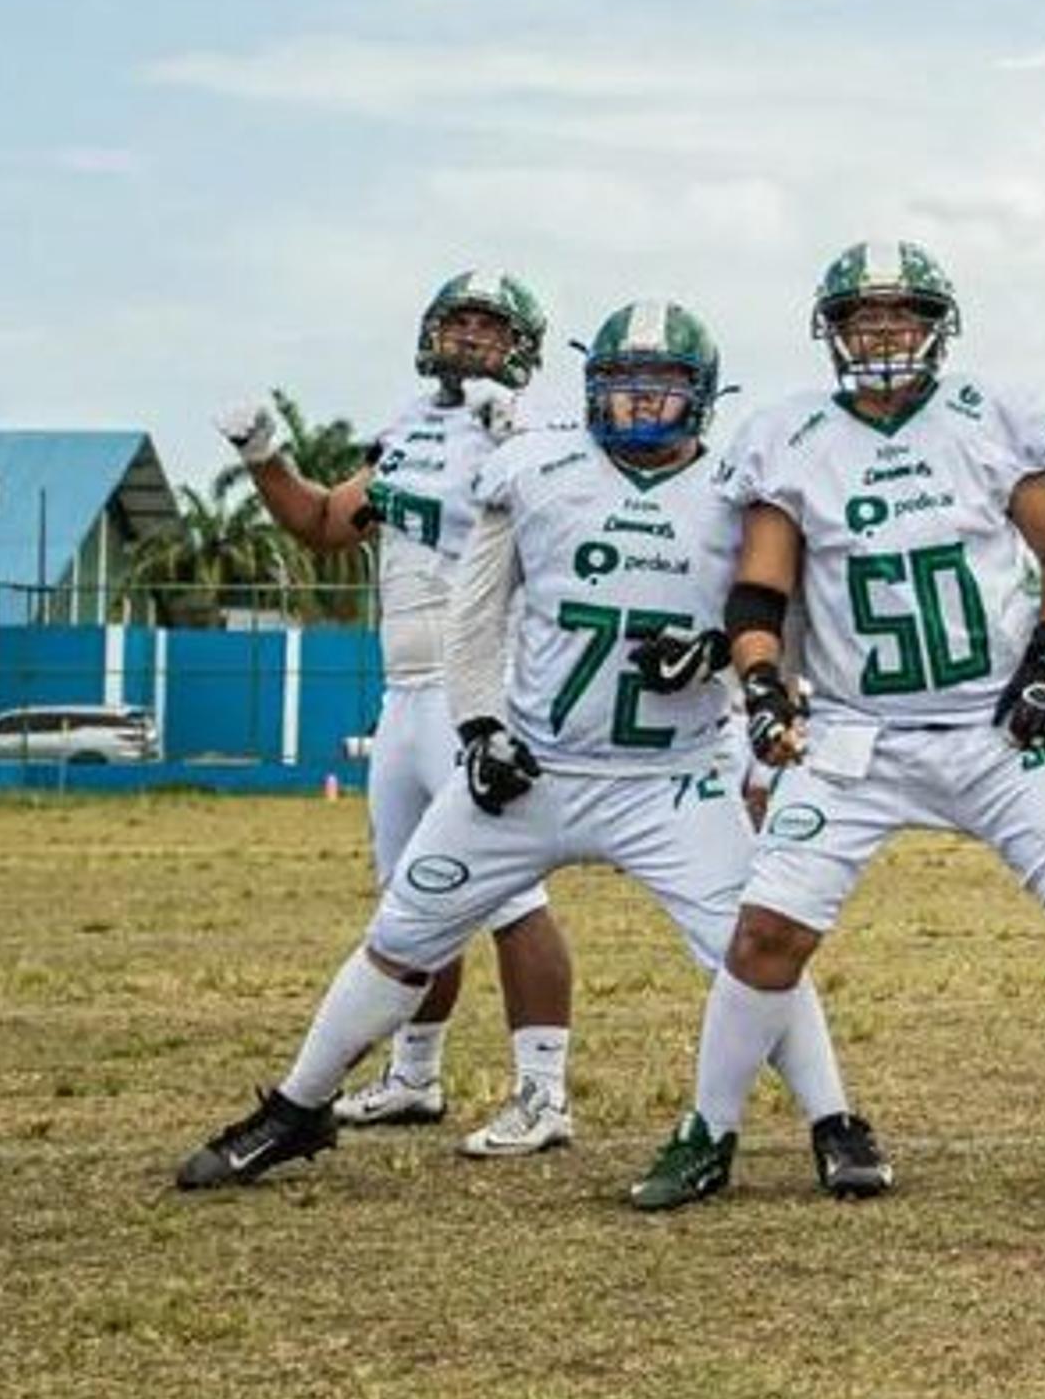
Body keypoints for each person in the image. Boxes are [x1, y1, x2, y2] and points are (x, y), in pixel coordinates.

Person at [178, 303, 880, 1192]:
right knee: (400, 933)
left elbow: (781, 617)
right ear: (592, 390)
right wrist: (479, 728)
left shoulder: (739, 489)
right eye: (622, 387)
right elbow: (475, 620)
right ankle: (295, 1107)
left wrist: (717, 660)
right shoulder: (537, 469)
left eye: (659, 388)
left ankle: (835, 1120)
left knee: (753, 946)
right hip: (537, 766)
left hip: (668, 778)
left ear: (700, 397)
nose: (637, 407)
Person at [629, 241, 1045, 1209]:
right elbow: (759, 591)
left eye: (900, 315)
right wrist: (760, 687)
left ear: (936, 326)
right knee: (761, 936)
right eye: (860, 318)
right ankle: (705, 1132)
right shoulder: (790, 436)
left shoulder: (986, 418)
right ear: (831, 333)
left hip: (991, 724)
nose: (881, 334)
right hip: (856, 734)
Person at [214, 269, 579, 1151]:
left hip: (477, 693)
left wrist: (518, 447)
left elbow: (564, 531)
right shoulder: (407, 429)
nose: (470, 340)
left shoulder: (530, 431)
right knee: (412, 901)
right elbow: (327, 523)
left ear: (519, 349)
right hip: (402, 697)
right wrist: (266, 457)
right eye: (459, 322)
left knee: (511, 899)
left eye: (490, 329)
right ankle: (414, 1077)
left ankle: (544, 1093)